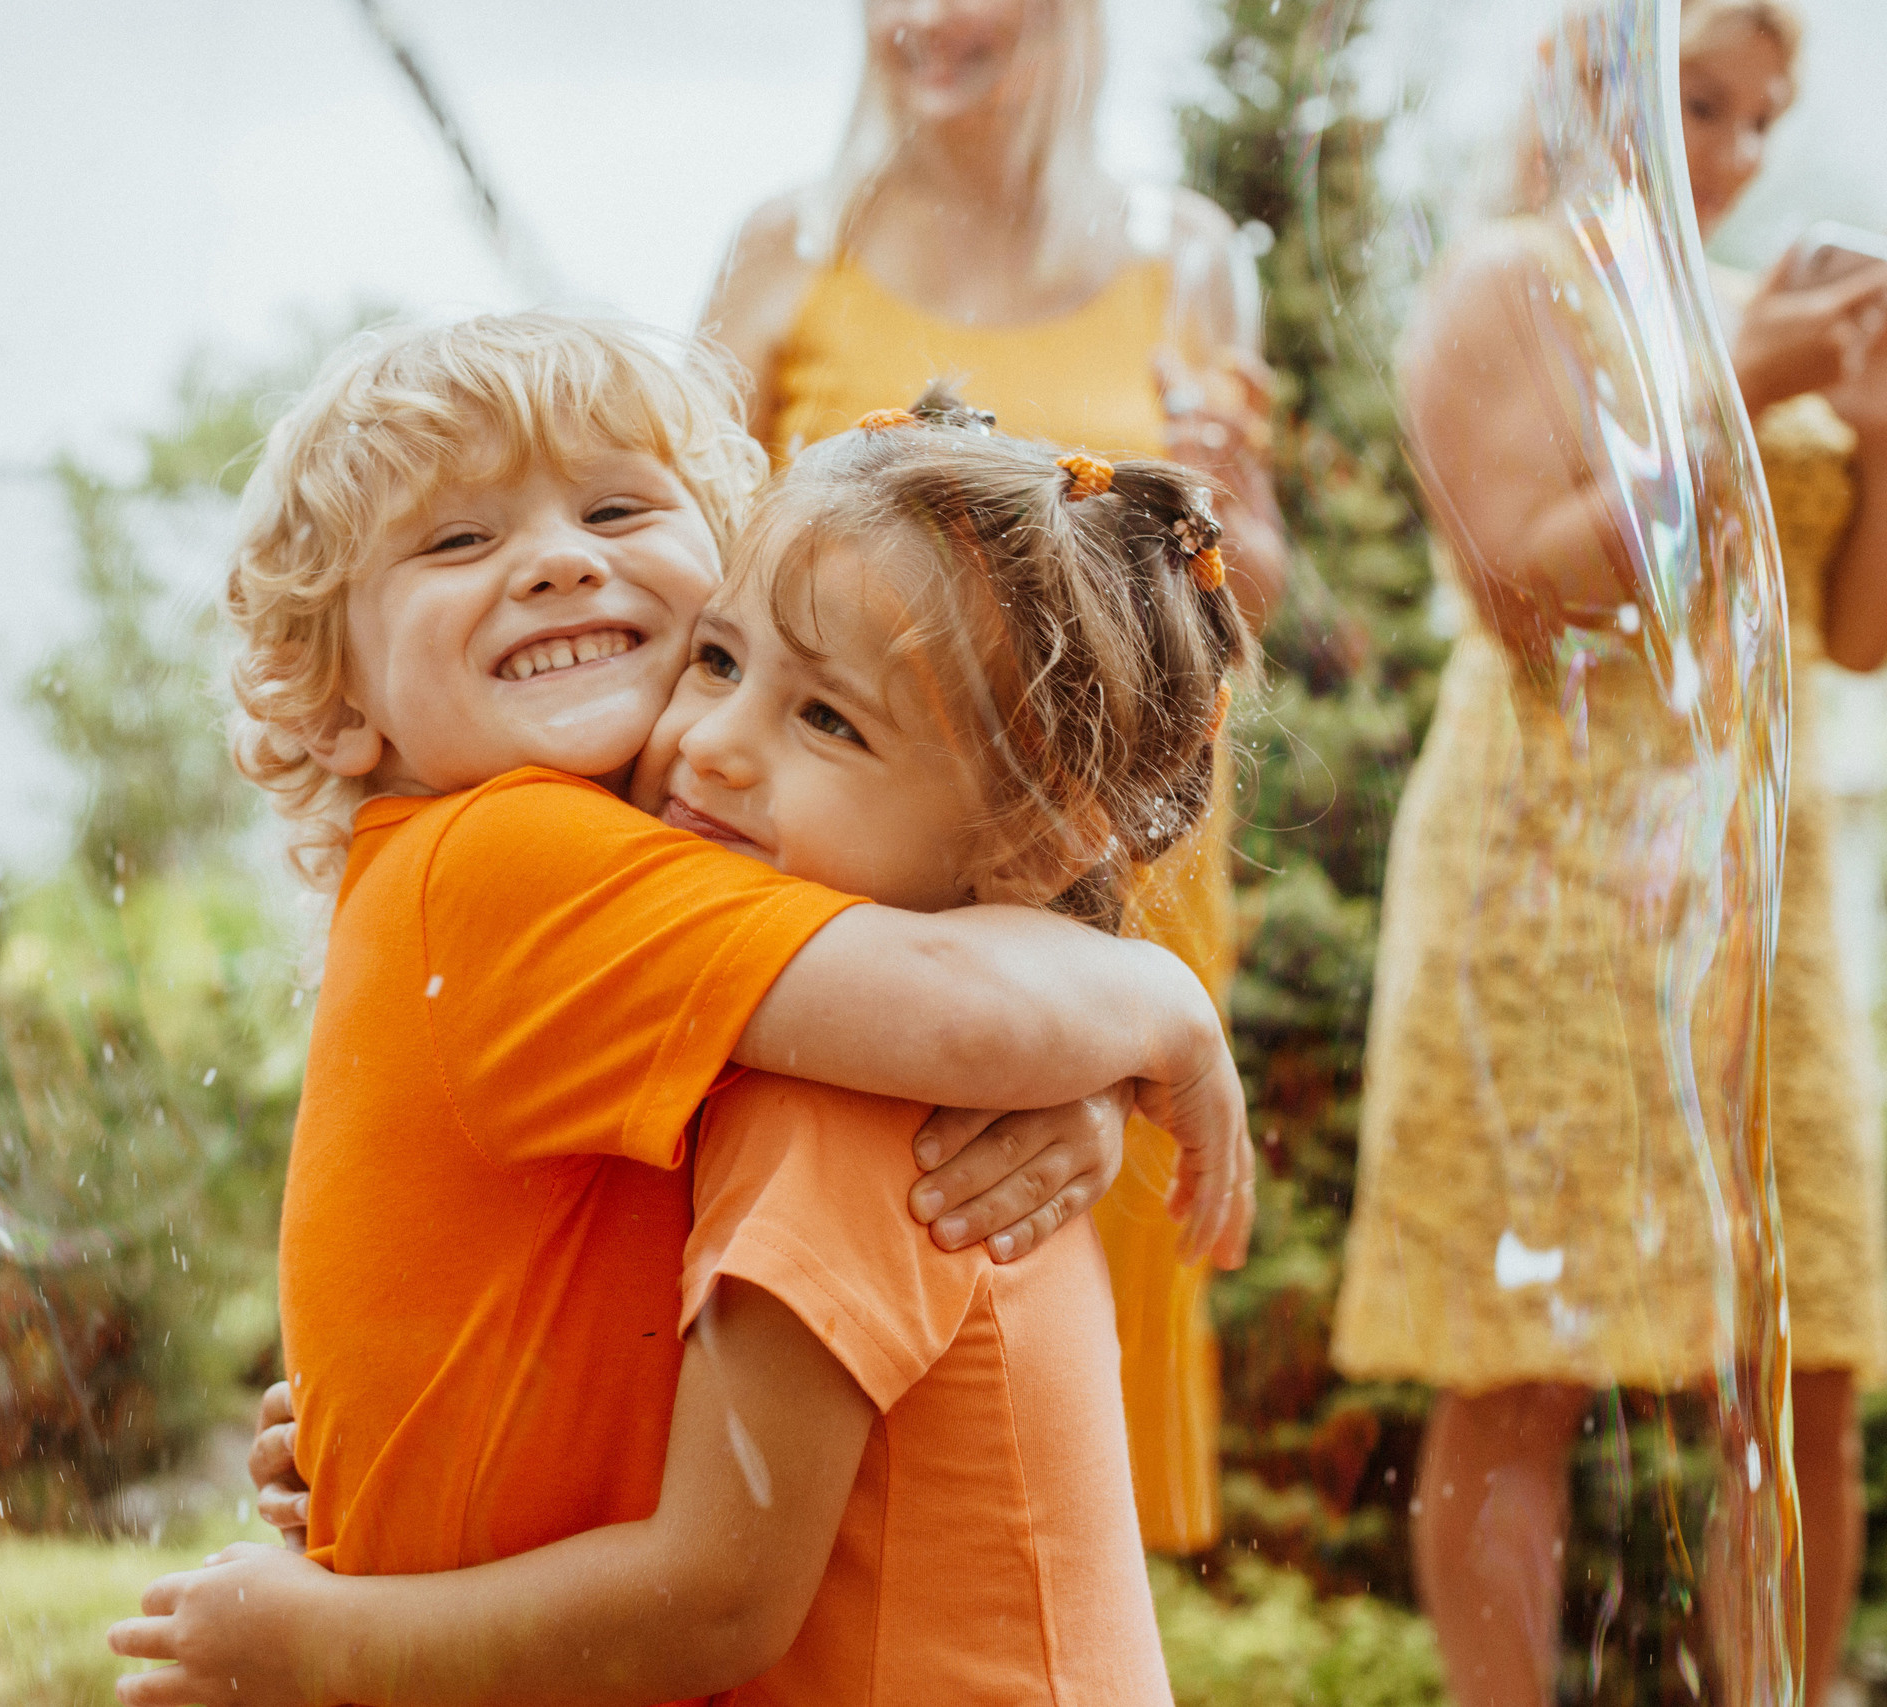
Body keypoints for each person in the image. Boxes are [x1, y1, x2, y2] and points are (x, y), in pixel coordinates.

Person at [111, 393, 1246, 1706]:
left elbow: (712, 1597)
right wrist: (406, 1421)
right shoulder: (806, 1022)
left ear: (1037, 839)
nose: (714, 745)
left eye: (829, 720)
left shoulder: (857, 1082)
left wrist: (318, 1651)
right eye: (718, 663)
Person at [1331, 2, 1887, 1701]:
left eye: (1748, 119)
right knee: (1524, 1351)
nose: (1715, 150)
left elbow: (1853, 636)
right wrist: (1758, 382)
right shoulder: (1504, 283)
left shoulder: (1752, 314)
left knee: (1802, 1357)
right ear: (1584, 79)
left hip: (1750, 873)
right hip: (1552, 860)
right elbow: (1524, 591)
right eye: (1688, 100)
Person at [699, 0, 1286, 1552]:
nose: (930, 18)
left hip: (1113, 875)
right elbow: (690, 545)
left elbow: (1241, 591)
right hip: (831, 843)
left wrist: (1236, 510)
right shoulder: (785, 249)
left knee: (1046, 1316)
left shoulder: (1191, 257)